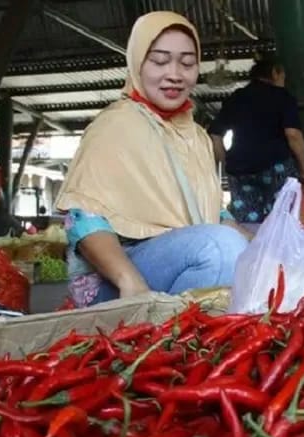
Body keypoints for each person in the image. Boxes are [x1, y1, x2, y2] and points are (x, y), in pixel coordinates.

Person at [55, 11, 249, 308]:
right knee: (221, 248)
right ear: (137, 63)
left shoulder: (195, 136)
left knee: (244, 247)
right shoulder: (115, 126)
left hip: (178, 262)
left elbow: (210, 213)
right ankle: (173, 339)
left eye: (187, 63)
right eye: (159, 61)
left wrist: (267, 246)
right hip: (118, 281)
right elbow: (81, 218)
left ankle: (178, 344)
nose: (174, 74)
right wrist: (129, 281)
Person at [208, 55, 304, 233]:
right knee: (284, 220)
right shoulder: (282, 96)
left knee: (247, 225)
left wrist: (224, 162)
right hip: (275, 167)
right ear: (275, 73)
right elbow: (293, 135)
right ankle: (278, 259)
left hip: (240, 171)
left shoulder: (236, 98)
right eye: (283, 77)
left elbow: (214, 134)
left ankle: (251, 257)